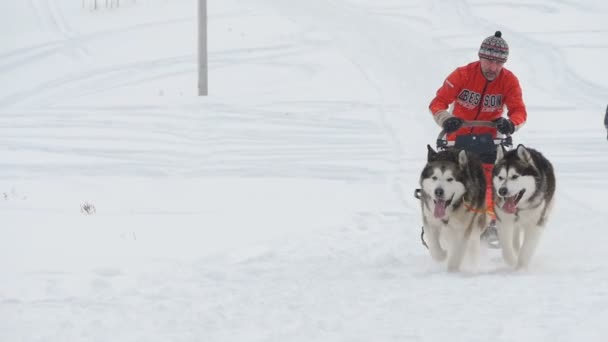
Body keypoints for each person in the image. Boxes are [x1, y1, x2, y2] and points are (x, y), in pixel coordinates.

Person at [428, 31, 527, 239]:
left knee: (491, 181)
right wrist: (446, 120)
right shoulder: (462, 75)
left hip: (489, 141)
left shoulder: (509, 81)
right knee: (453, 179)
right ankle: (448, 217)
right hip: (457, 139)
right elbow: (437, 103)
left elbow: (519, 112)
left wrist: (510, 124)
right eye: (489, 61)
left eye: (499, 63)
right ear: (480, 56)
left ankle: (489, 221)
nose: (493, 67)